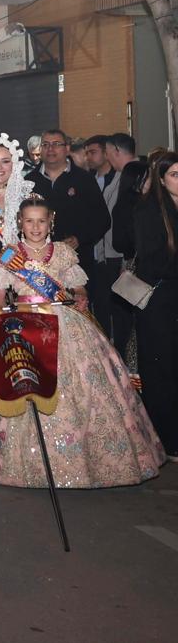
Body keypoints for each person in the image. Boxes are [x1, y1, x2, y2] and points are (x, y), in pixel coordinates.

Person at [0, 197, 164, 488]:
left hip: (63, 322)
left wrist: (81, 297)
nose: (35, 227)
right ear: (20, 222)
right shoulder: (10, 256)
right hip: (25, 325)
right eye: (29, 221)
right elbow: (0, 295)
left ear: (51, 222)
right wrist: (0, 323)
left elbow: (78, 286)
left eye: (41, 221)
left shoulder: (63, 253)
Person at [133, 156, 178, 458]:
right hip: (160, 300)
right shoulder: (150, 211)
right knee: (163, 369)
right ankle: (167, 439)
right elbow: (149, 261)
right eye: (175, 174)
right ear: (161, 180)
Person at [31, 128, 111, 288]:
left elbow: (102, 219)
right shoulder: (29, 181)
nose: (50, 149)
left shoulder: (84, 179)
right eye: (45, 144)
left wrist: (80, 238)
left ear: (67, 149)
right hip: (39, 263)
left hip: (78, 262)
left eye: (56, 144)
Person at [106, 132, 149, 353]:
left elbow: (123, 235)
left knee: (131, 320)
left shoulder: (133, 177)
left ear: (116, 150)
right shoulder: (119, 176)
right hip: (131, 260)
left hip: (134, 262)